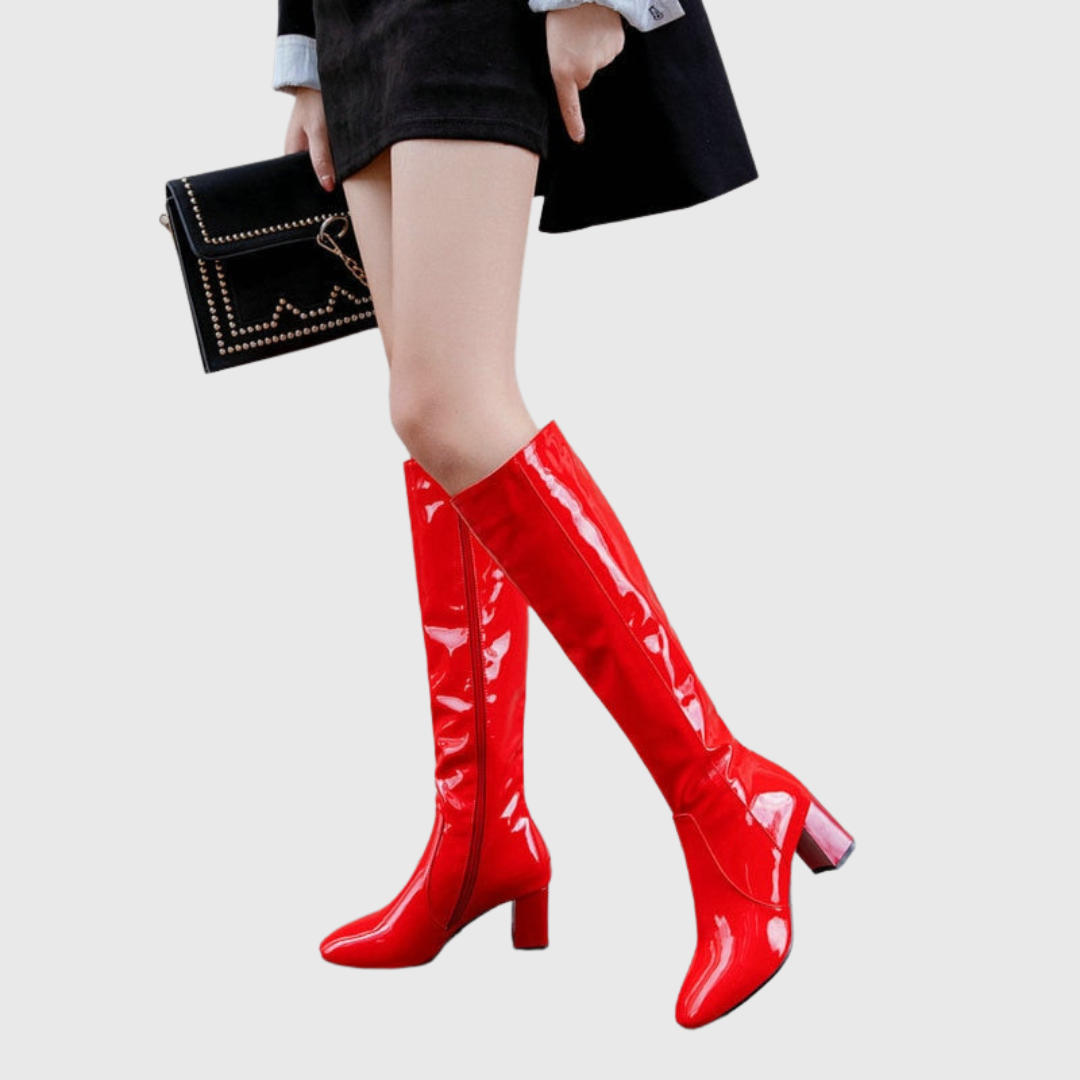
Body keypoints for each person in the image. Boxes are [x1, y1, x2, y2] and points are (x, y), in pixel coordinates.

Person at [273, 0, 854, 1029]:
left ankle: (725, 796)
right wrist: (307, 50)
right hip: (359, 19)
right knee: (432, 420)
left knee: (451, 405)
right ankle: (480, 834)